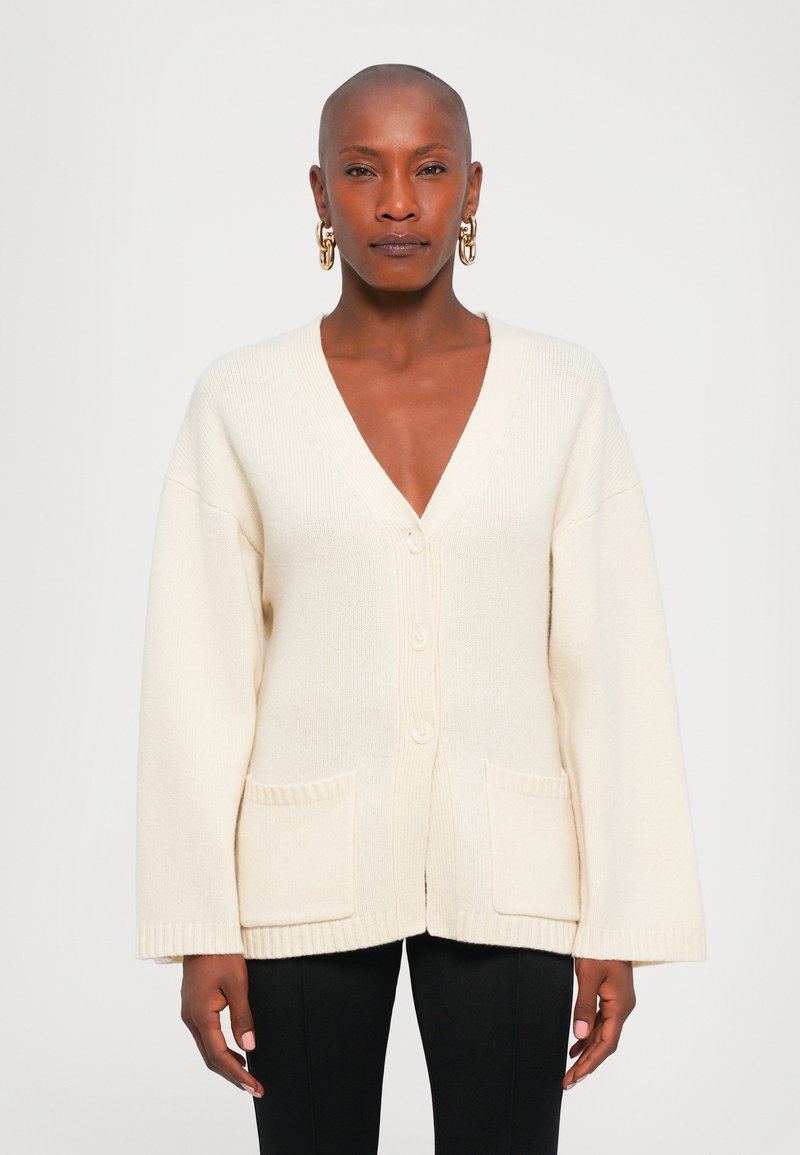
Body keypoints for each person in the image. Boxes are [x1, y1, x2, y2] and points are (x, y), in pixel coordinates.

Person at [135, 62, 707, 1155]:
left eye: (429, 168)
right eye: (362, 171)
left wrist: (621, 918)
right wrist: (199, 923)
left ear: (472, 187)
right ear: (319, 192)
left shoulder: (563, 392)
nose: (397, 202)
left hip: (514, 870)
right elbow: (196, 676)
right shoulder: (240, 400)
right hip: (298, 876)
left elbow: (611, 664)